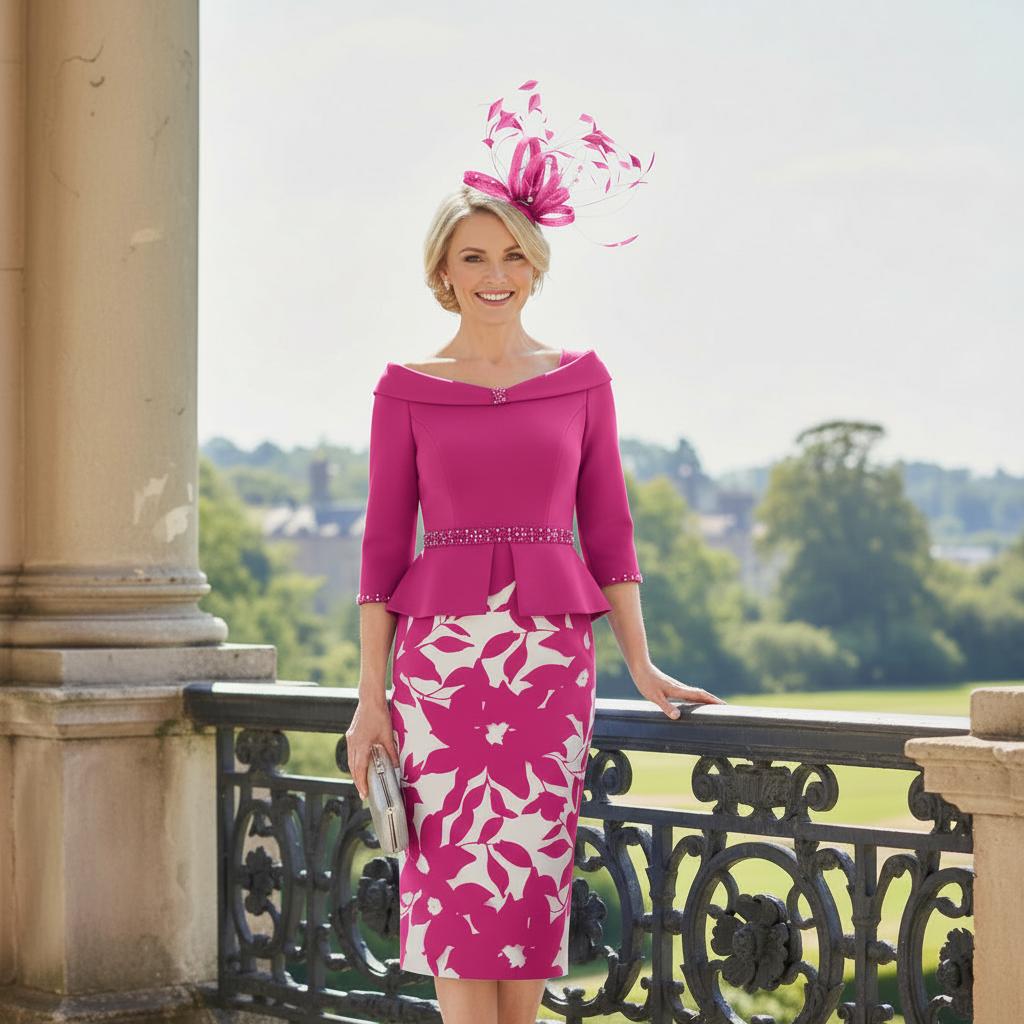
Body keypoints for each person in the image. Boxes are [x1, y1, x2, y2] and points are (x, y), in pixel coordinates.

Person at [346, 83, 726, 1024]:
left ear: (537, 265)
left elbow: (612, 531)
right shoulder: (403, 390)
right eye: (473, 255)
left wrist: (641, 660)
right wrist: (369, 700)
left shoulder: (582, 381)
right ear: (442, 271)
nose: (494, 272)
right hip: (439, 673)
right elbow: (384, 550)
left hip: (551, 665)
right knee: (453, 890)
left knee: (527, 886)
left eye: (513, 253)